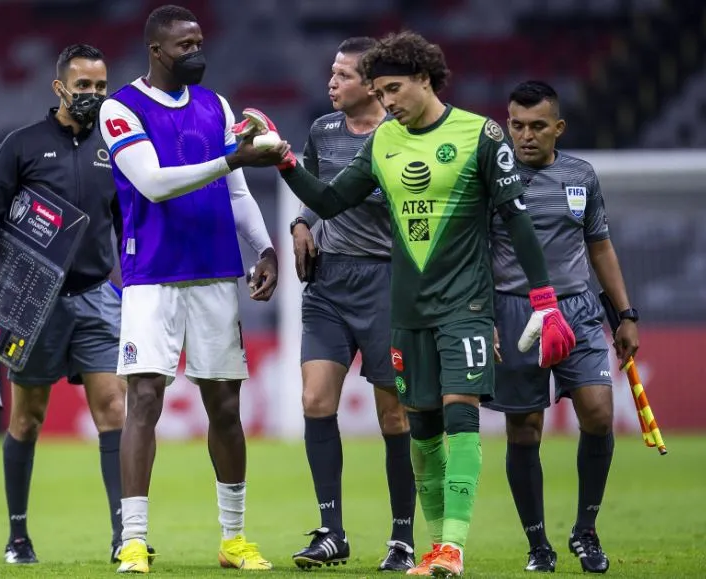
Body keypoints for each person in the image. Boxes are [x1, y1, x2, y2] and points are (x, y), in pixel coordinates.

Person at [241, 31, 576, 577]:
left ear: (425, 79)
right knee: (421, 431)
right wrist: (282, 158)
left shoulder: (480, 135)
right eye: (380, 90)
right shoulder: (383, 142)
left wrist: (544, 301)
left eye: (394, 89)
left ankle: (451, 548)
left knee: (460, 416)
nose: (388, 102)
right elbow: (329, 200)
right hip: (406, 309)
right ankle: (430, 547)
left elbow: (516, 219)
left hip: (463, 304)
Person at [97, 5, 289, 574]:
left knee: (225, 405)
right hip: (151, 275)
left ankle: (233, 540)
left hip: (213, 271)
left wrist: (266, 248)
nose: (197, 53)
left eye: (200, 42)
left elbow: (237, 193)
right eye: (185, 46)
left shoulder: (218, 106)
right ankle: (133, 539)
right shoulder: (120, 108)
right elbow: (153, 184)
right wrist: (232, 155)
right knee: (145, 401)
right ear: (157, 50)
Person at [0, 44, 129, 564]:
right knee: (28, 419)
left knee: (114, 409)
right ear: (59, 88)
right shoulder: (21, 147)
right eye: (83, 87)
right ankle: (18, 536)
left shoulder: (115, 148)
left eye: (100, 87)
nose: (92, 96)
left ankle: (126, 537)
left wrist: (142, 287)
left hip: (98, 297)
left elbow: (129, 226)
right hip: (33, 304)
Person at [485, 80, 640, 574]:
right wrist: (480, 315)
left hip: (576, 310)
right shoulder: (489, 176)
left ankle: (586, 531)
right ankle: (538, 546)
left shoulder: (581, 175)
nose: (525, 136)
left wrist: (625, 314)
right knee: (524, 429)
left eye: (536, 126)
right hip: (513, 311)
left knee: (598, 413)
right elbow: (471, 254)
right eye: (516, 125)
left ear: (559, 128)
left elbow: (600, 246)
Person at [289, 37, 416, 572]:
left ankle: (402, 538)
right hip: (329, 283)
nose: (331, 83)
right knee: (316, 401)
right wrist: (301, 223)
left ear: (371, 84)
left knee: (393, 415)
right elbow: (317, 194)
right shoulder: (323, 130)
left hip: (387, 284)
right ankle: (331, 532)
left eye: (342, 75)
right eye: (331, 73)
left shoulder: (403, 136)